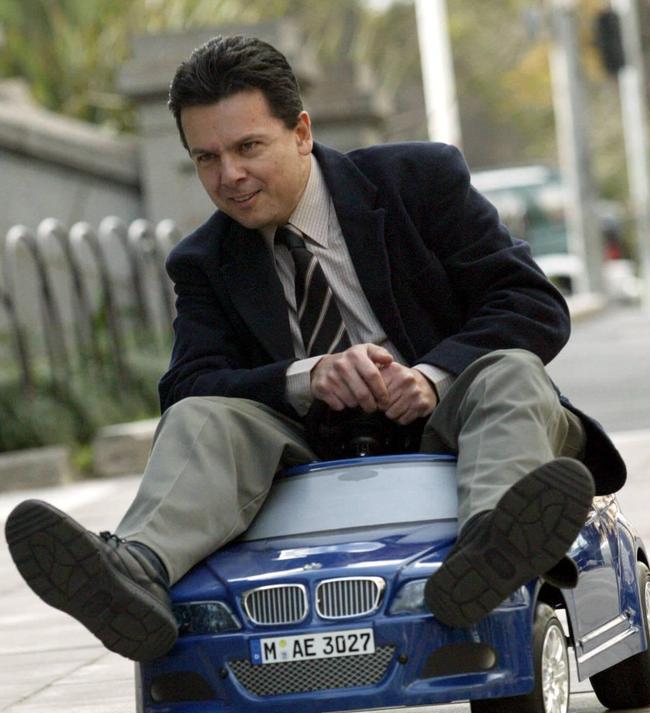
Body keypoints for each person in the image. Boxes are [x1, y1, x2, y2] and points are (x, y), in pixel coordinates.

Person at [5, 34, 626, 659]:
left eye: (248, 147)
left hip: (464, 419)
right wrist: (305, 377)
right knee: (200, 415)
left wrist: (432, 375)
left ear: (301, 131)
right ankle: (134, 570)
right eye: (206, 158)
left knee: (510, 370)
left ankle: (494, 547)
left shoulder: (419, 181)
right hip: (313, 454)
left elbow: (532, 304)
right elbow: (186, 386)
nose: (230, 177)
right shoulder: (203, 260)